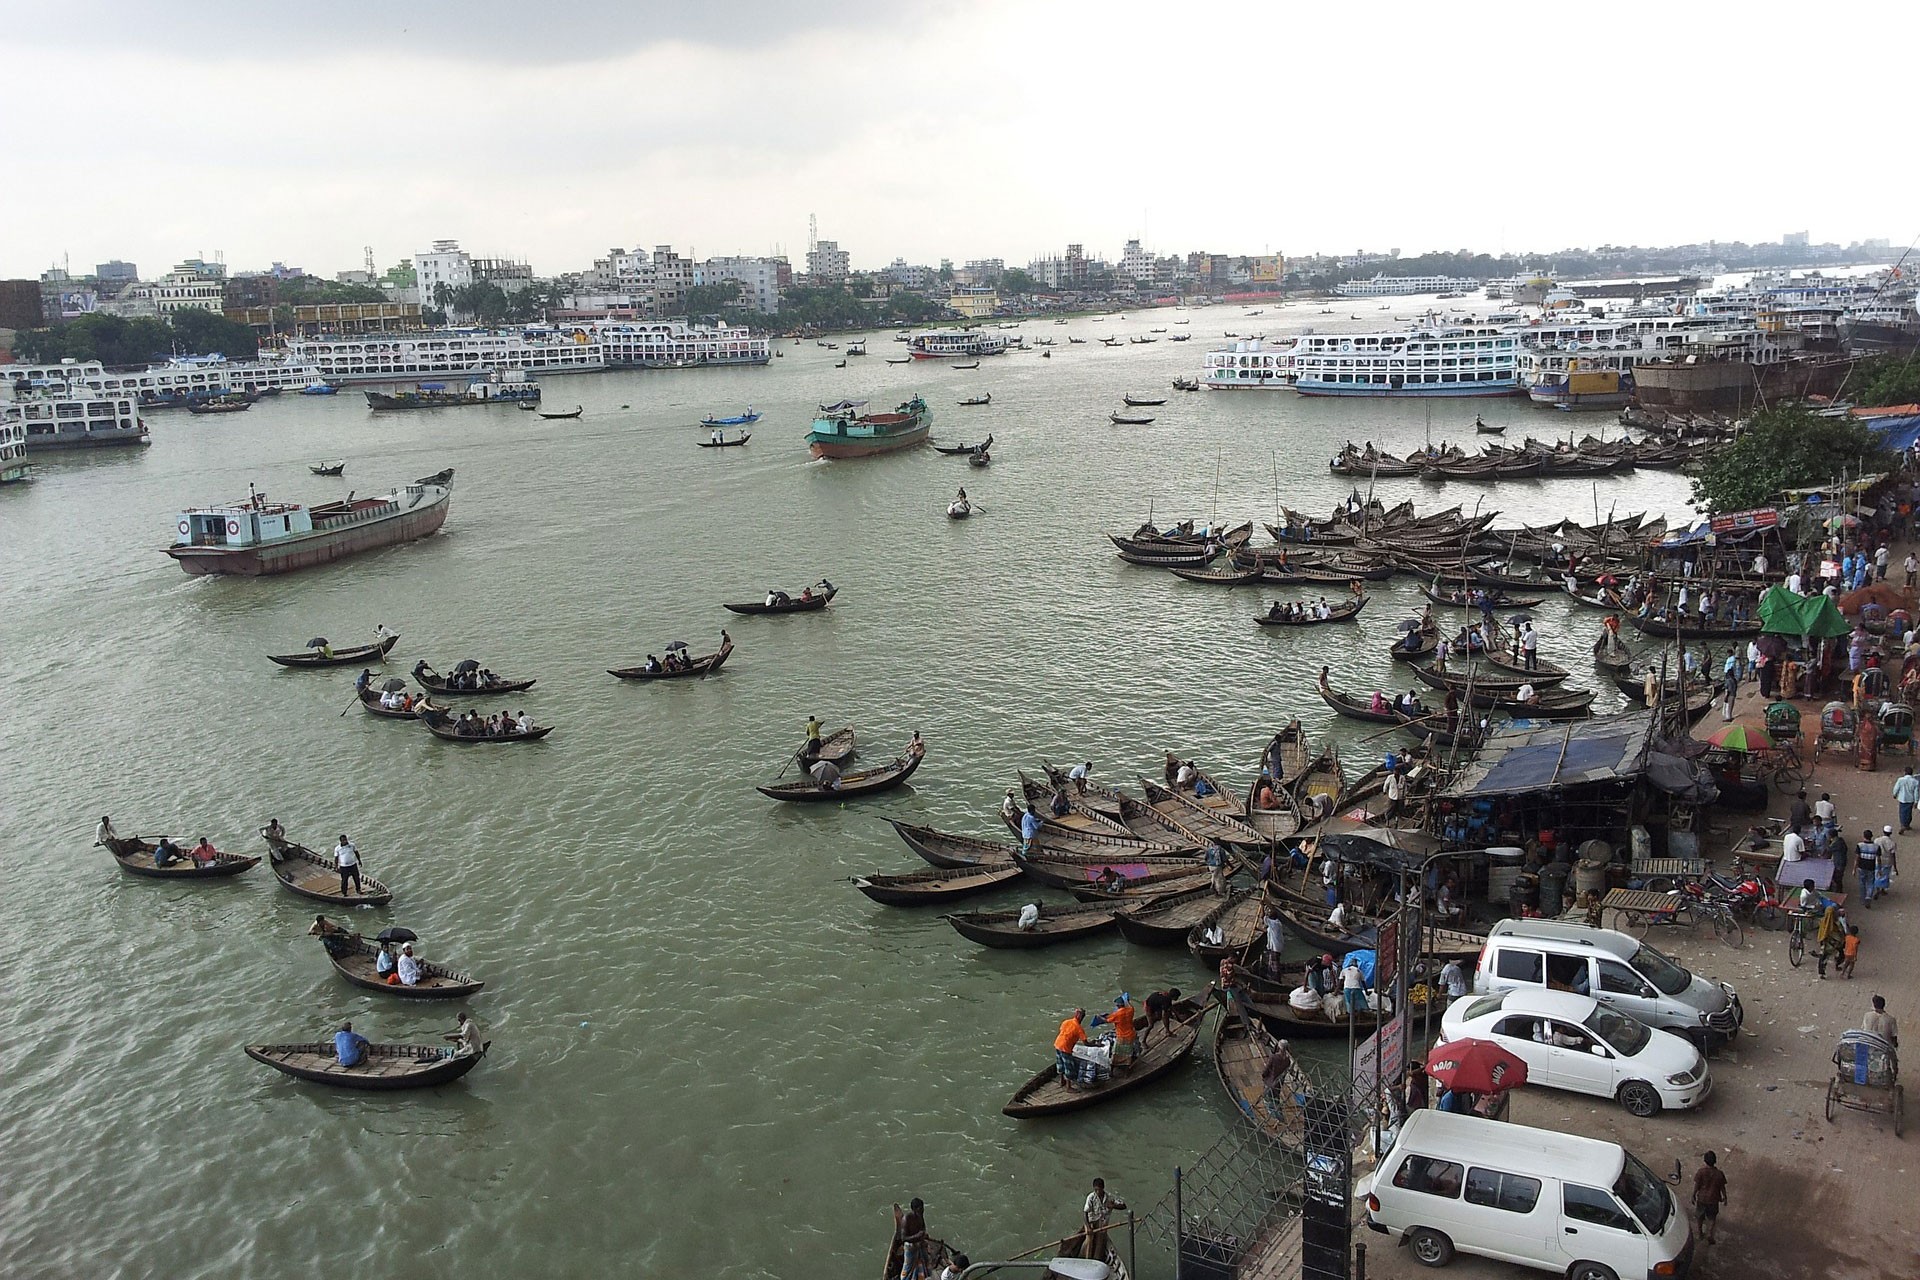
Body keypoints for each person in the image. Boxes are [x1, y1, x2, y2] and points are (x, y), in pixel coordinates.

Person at [1078, 1179, 1127, 1260]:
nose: (1097, 1192)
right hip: (1091, 1222)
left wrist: (1113, 1206)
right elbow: (1085, 1213)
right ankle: (1086, 1259)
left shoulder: (1110, 1197)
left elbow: (1124, 1206)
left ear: (1103, 1188)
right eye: (1095, 1190)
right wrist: (1088, 1227)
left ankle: (1096, 1259)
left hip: (1102, 1224)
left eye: (1099, 1190)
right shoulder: (1091, 1197)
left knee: (1100, 1241)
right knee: (1089, 1239)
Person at [1691, 1152, 1728, 1244]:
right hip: (1713, 1199)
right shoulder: (1719, 1174)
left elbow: (1697, 1185)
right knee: (1712, 1218)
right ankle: (1710, 1234)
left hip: (1702, 1198)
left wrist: (1693, 1195)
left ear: (1705, 1161)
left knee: (1700, 1216)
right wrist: (1725, 1197)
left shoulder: (1701, 1172)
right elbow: (1722, 1187)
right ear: (1715, 1161)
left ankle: (1700, 1233)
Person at [1093, 995, 1138, 1069]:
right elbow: (1129, 1005)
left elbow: (1107, 1020)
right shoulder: (1130, 1009)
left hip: (1121, 1036)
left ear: (1118, 1005)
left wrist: (1099, 1017)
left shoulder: (1118, 1014)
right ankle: (1126, 1068)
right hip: (1130, 1034)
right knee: (1128, 1053)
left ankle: (1112, 1070)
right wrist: (1127, 1001)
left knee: (1116, 1053)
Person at [891, 1198, 931, 1280]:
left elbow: (923, 1226)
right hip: (910, 1246)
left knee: (925, 1261)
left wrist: (923, 1234)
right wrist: (917, 1236)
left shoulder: (920, 1215)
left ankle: (923, 1276)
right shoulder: (906, 1219)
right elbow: (903, 1238)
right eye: (920, 1208)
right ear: (914, 1209)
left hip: (920, 1243)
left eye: (923, 1208)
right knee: (908, 1267)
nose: (922, 1210)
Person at [1054, 1009, 1089, 1088]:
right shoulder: (1079, 1028)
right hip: (1066, 1048)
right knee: (1068, 1067)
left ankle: (1062, 1081)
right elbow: (1086, 1043)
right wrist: (1096, 1045)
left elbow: (1062, 1031)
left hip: (1058, 1044)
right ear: (1081, 1017)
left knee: (1060, 1064)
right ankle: (1068, 1087)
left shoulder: (1066, 1022)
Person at [1855, 829, 1881, 906]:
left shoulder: (1859, 845)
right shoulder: (1876, 847)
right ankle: (1868, 896)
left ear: (1864, 836)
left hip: (1861, 867)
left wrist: (1854, 868)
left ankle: (1863, 898)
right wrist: (1879, 869)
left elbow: (1857, 858)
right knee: (1870, 883)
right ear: (1871, 837)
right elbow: (1878, 859)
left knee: (1862, 882)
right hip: (1871, 867)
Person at [1894, 767, 1920, 833]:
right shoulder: (1915, 782)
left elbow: (1896, 788)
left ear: (1905, 772)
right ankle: (1907, 824)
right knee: (1909, 813)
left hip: (1902, 799)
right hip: (1910, 800)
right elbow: (1916, 792)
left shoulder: (1900, 780)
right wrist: (1916, 801)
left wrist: (1895, 794)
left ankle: (1903, 825)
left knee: (1902, 812)